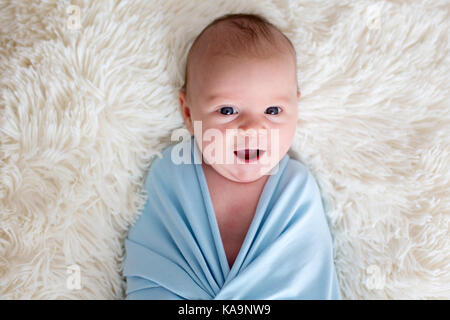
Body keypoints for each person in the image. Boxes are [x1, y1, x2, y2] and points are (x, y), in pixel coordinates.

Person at [123, 13, 341, 299]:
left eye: (273, 111)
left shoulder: (296, 191)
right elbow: (153, 269)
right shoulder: (170, 176)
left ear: (295, 109)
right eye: (227, 111)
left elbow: (308, 277)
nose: (252, 128)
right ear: (188, 113)